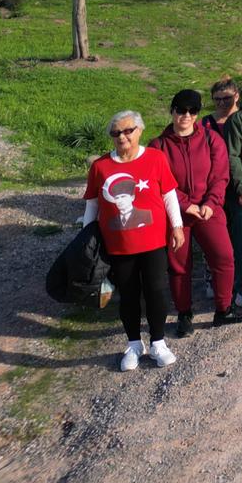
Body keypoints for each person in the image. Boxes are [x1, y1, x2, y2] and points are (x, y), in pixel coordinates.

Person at [83, 111, 186, 370]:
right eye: (116, 133)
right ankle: (133, 344)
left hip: (153, 243)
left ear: (139, 130)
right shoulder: (100, 167)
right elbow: (92, 205)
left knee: (156, 292)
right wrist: (85, 241)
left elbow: (169, 195)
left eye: (128, 130)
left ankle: (158, 343)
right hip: (118, 246)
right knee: (128, 295)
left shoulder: (155, 158)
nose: (123, 137)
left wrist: (177, 226)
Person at [150, 91, 242, 336]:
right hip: (176, 212)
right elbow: (160, 182)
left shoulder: (212, 139)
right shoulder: (158, 145)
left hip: (207, 209)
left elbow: (220, 175)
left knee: (223, 256)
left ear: (198, 114)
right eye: (181, 110)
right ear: (172, 111)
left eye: (192, 111)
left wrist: (211, 203)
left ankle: (223, 309)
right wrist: (184, 204)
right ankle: (184, 313)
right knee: (179, 265)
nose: (186, 116)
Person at [207, 76, 242, 312]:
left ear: (237, 96)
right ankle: (239, 286)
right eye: (217, 99)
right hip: (225, 188)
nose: (222, 103)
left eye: (227, 98)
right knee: (234, 240)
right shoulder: (208, 124)